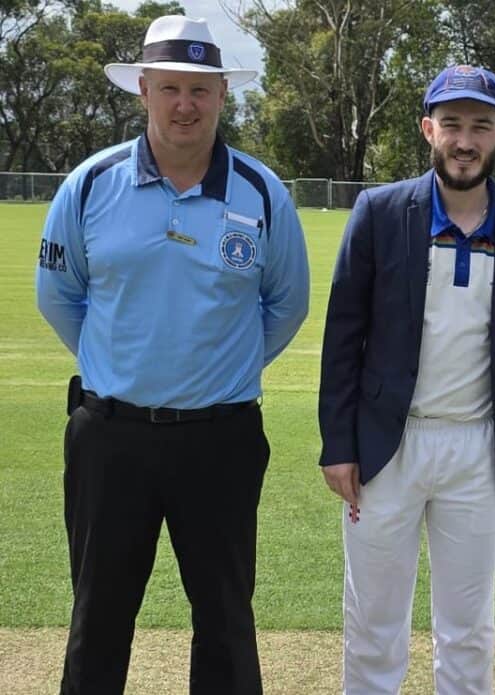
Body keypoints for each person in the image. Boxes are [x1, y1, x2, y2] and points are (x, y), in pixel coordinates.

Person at [35, 15, 310, 694]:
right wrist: (118, 367)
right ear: (145, 91)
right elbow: (60, 296)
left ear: (222, 95)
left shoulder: (262, 192)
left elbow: (286, 306)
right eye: (171, 88)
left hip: (222, 438)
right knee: (98, 614)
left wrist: (220, 368)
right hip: (110, 436)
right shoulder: (91, 184)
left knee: (224, 618)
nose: (185, 105)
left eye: (200, 89)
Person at [317, 64, 495, 693]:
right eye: (452, 124)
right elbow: (343, 335)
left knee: (469, 626)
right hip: (384, 447)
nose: (465, 140)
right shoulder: (380, 210)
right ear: (429, 129)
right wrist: (337, 444)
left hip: (476, 448)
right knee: (373, 619)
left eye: (481, 125)